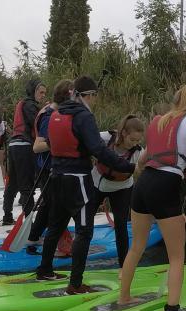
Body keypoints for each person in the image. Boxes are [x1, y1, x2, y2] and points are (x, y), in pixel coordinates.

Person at [119, 84, 186, 311]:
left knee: (136, 246)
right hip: (166, 184)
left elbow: (142, 161)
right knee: (176, 257)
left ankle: (124, 297)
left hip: (143, 184)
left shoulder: (159, 121)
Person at [36, 75, 135, 295]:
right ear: (88, 96)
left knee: (55, 226)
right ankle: (75, 284)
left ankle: (44, 270)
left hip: (56, 177)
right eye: (94, 97)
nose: (95, 101)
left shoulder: (55, 113)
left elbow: (53, 143)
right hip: (77, 180)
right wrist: (128, 167)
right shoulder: (83, 116)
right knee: (84, 231)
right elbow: (98, 150)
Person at [90, 115, 145, 268]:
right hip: (97, 185)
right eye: (132, 140)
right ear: (123, 133)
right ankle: (78, 257)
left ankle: (124, 266)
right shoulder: (106, 138)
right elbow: (87, 140)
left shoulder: (139, 152)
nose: (135, 143)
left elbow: (148, 168)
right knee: (86, 223)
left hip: (123, 188)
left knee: (121, 226)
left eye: (138, 140)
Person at [27, 79, 74, 253]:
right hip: (47, 168)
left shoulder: (55, 111)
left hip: (52, 167)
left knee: (48, 206)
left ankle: (33, 238)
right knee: (54, 207)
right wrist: (60, 140)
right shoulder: (49, 115)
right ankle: (53, 246)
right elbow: (37, 146)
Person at [2, 79, 47, 225]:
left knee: (13, 183)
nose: (43, 96)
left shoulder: (26, 104)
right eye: (41, 92)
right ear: (33, 91)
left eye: (45, 93)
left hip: (14, 146)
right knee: (27, 185)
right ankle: (29, 221)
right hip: (23, 147)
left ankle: (7, 216)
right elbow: (37, 122)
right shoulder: (29, 105)